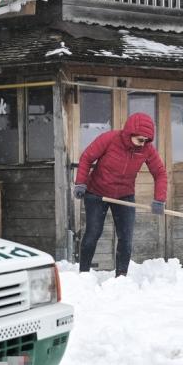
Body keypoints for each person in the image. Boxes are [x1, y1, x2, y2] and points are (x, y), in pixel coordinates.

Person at [73, 112, 168, 277]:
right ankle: (84, 274)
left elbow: (160, 173)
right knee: (93, 233)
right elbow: (87, 157)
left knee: (126, 238)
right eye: (140, 140)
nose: (142, 144)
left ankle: (121, 277)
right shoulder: (109, 139)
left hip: (124, 196)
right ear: (130, 132)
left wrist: (159, 199)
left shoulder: (146, 149)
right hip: (97, 193)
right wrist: (81, 183)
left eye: (146, 141)